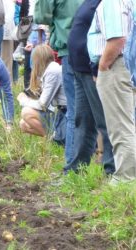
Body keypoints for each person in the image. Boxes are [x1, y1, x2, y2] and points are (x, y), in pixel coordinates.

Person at [87, 0, 136, 184]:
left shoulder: (112, 2)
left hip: (116, 66)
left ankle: (126, 178)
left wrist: (103, 65)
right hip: (126, 64)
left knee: (120, 126)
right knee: (127, 123)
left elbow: (118, 38)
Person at [65, 0, 115, 175]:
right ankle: (76, 170)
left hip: (93, 70)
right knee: (83, 121)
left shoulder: (109, 3)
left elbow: (111, 37)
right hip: (79, 69)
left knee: (104, 121)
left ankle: (111, 170)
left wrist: (99, 66)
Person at [34, 0, 83, 167]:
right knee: (90, 109)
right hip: (91, 49)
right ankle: (99, 162)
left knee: (73, 111)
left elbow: (41, 16)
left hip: (69, 49)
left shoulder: (52, 70)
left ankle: (72, 166)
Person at [17, 45, 66, 141]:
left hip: (65, 112)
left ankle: (53, 139)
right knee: (23, 124)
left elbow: (43, 104)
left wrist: (24, 101)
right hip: (60, 111)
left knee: (26, 112)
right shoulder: (51, 70)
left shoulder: (52, 71)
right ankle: (54, 136)